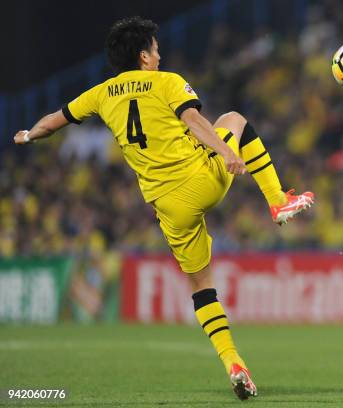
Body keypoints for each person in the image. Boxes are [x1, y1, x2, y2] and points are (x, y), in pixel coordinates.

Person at [13, 16, 314, 400]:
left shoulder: (101, 93)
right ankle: (277, 201)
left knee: (202, 287)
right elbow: (193, 119)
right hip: (202, 179)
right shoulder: (168, 81)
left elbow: (54, 122)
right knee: (234, 120)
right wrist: (225, 151)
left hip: (168, 208)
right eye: (155, 49)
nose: (160, 54)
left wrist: (28, 134)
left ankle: (234, 363)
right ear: (144, 55)